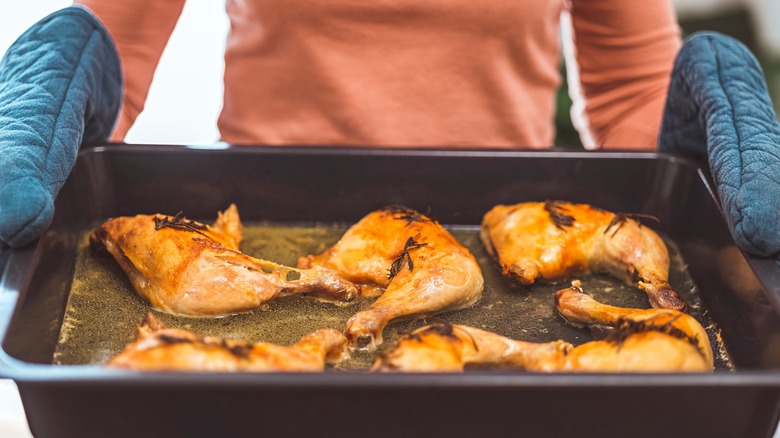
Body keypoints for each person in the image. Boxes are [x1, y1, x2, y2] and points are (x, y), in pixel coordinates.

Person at [0, 1, 778, 263]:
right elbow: (121, 46)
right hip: (262, 229)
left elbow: (631, 84)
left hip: (504, 240)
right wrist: (74, 96)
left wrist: (685, 161)